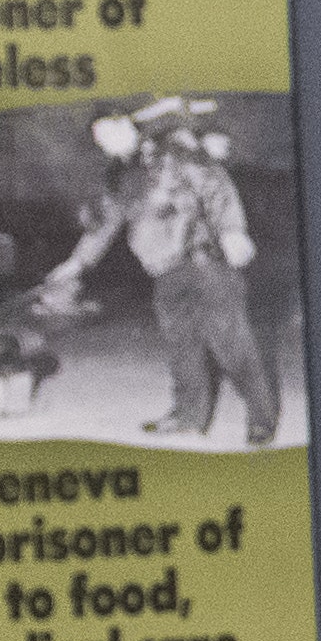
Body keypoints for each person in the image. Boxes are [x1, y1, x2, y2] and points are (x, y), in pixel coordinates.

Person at [35, 105, 273, 445]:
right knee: (182, 348)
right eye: (99, 141)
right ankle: (189, 416)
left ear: (125, 124)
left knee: (232, 345)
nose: (105, 145)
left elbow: (215, 184)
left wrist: (232, 230)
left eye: (107, 134)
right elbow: (104, 223)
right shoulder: (120, 176)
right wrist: (77, 263)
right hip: (165, 272)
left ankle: (260, 418)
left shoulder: (171, 151)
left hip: (205, 263)